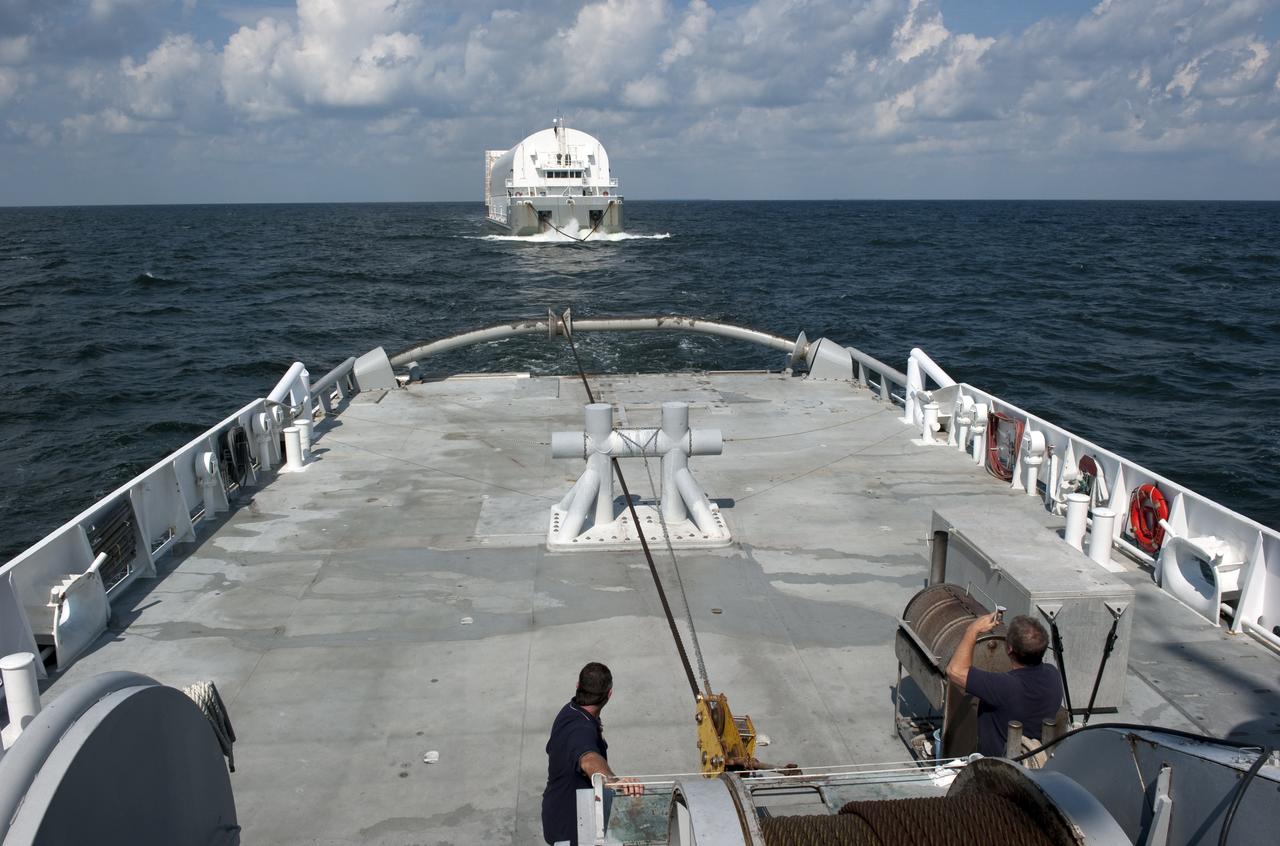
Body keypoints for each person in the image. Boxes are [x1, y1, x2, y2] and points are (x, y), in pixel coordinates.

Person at [542, 662, 643, 846]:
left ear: (578, 685)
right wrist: (615, 782)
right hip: (571, 830)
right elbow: (589, 760)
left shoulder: (571, 711)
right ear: (609, 695)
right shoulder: (580, 729)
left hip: (559, 816)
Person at [945, 612, 1063, 758]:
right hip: (1032, 761)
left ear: (1009, 649)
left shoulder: (1005, 687)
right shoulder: (1053, 675)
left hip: (998, 767)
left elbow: (954, 670)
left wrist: (972, 630)